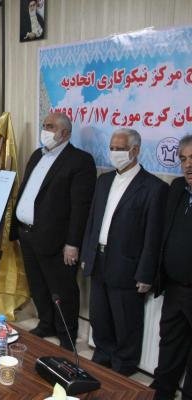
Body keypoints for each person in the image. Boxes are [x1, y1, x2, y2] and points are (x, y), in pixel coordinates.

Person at [80, 128, 167, 376]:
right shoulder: (104, 181)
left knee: (126, 321)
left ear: (135, 150)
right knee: (100, 317)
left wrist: (146, 274)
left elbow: (153, 237)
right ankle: (102, 359)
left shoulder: (154, 188)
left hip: (127, 266)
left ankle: (123, 368)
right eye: (112, 148)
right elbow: (92, 221)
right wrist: (87, 255)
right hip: (99, 259)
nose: (114, 153)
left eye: (120, 149)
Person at [9, 112, 96, 349]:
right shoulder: (37, 155)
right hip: (28, 234)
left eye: (50, 127)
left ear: (65, 133)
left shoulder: (79, 161)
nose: (45, 130)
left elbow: (81, 207)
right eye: (44, 125)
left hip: (57, 240)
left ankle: (67, 336)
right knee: (38, 285)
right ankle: (46, 323)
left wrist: (73, 243)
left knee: (62, 290)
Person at [150, 135, 192, 399]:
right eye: (184, 159)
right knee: (169, 347)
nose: (188, 165)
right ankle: (161, 393)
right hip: (175, 288)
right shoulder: (177, 188)